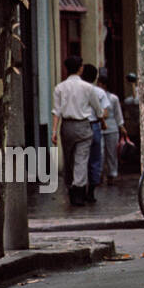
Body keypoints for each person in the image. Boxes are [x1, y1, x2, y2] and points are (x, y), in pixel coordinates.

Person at [51, 56, 104, 206]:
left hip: (66, 126)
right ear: (80, 68)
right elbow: (98, 109)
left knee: (69, 159)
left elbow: (56, 111)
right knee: (81, 159)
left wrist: (54, 132)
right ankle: (79, 191)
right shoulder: (88, 88)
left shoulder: (59, 88)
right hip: (83, 126)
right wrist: (101, 119)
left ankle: (70, 187)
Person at [79, 64, 107, 204]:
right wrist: (102, 121)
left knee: (81, 159)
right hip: (95, 125)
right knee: (95, 160)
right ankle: (91, 191)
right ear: (95, 77)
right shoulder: (100, 92)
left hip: (80, 124)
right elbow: (103, 112)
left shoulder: (78, 90)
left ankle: (80, 189)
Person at [96, 71, 123, 186]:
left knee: (111, 153)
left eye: (99, 84)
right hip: (99, 127)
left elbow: (118, 114)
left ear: (104, 85)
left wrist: (121, 126)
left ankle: (112, 174)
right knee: (100, 153)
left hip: (112, 127)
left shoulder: (113, 98)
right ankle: (99, 174)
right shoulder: (95, 96)